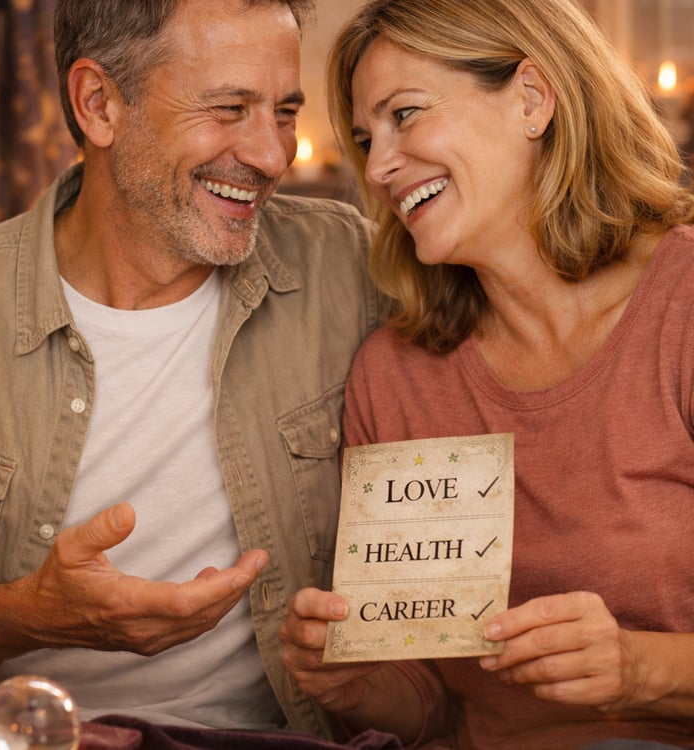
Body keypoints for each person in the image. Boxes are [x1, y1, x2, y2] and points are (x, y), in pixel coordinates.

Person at [0, 0, 387, 736]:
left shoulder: (352, 267)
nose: (274, 156)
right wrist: (29, 615)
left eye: (284, 112)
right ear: (98, 104)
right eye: (231, 108)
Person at [278, 0, 694, 748]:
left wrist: (643, 669)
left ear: (532, 99)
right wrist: (359, 682)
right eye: (368, 139)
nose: (376, 169)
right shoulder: (393, 377)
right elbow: (436, 703)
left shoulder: (684, 309)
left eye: (405, 114)